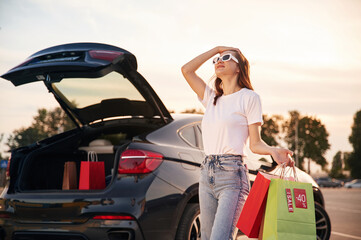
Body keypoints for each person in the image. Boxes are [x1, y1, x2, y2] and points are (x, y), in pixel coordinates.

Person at [181, 46, 294, 240]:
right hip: (206, 172)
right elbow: (186, 70)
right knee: (206, 237)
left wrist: (273, 151)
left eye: (226, 57)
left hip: (232, 177)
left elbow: (255, 144)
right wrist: (216, 49)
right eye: (216, 60)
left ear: (239, 67)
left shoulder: (249, 98)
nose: (219, 60)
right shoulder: (212, 98)